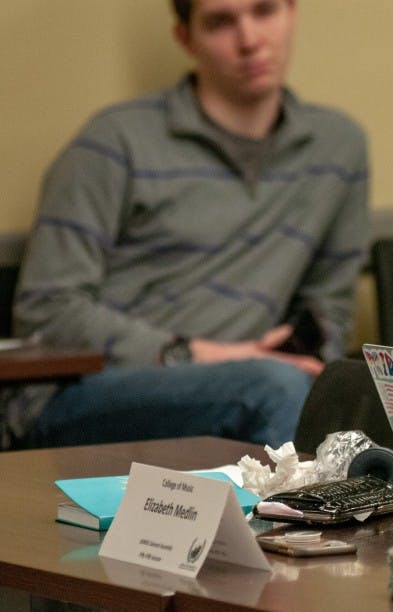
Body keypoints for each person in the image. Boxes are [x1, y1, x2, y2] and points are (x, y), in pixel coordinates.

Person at [6, 0, 369, 448]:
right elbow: (47, 310)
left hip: (254, 384)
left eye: (265, 11)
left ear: (292, 12)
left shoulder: (338, 149)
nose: (250, 40)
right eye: (221, 22)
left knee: (386, 399)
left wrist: (304, 349)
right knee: (272, 389)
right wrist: (200, 355)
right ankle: (300, 518)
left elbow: (328, 308)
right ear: (185, 37)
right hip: (83, 396)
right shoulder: (114, 141)